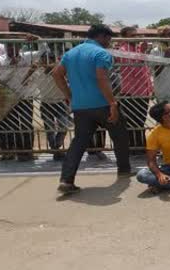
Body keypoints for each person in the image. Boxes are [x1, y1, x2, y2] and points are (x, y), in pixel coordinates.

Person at [52, 25, 132, 194]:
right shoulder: (101, 54)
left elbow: (56, 74)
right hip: (102, 104)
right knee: (120, 134)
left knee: (79, 142)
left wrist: (69, 96)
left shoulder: (70, 54)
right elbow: (101, 78)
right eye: (108, 39)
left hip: (80, 106)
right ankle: (124, 170)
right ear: (101, 37)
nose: (109, 43)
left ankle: (66, 180)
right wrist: (112, 103)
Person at [0, 36, 48, 160]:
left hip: (25, 96)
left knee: (26, 124)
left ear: (19, 47)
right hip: (8, 98)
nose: (12, 49)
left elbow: (44, 50)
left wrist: (38, 39)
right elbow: (0, 80)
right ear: (6, 47)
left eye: (14, 46)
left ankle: (26, 152)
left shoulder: (27, 56)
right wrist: (11, 67)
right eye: (9, 46)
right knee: (10, 125)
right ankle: (10, 151)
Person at [116, 26, 153, 153]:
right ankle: (135, 148)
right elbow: (135, 70)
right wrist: (142, 53)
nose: (136, 38)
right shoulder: (123, 50)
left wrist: (150, 89)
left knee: (139, 120)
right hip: (132, 92)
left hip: (142, 91)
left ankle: (139, 146)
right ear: (124, 37)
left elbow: (145, 71)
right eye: (132, 36)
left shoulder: (136, 49)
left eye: (136, 35)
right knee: (133, 121)